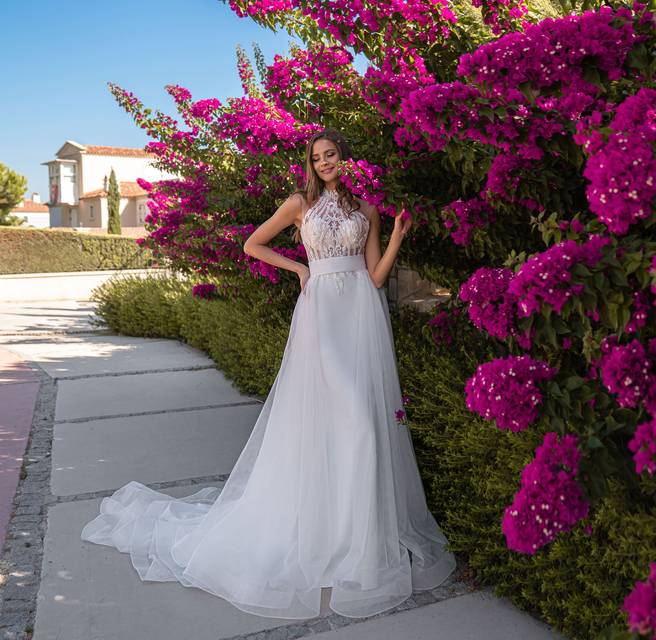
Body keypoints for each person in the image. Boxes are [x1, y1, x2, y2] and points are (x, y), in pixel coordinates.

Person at [80, 129, 458, 620]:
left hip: (361, 315)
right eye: (317, 157)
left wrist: (399, 237)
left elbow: (377, 276)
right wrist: (299, 270)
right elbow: (252, 244)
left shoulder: (367, 212)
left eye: (332, 154)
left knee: (362, 427)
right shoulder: (300, 203)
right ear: (311, 163)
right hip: (320, 314)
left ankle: (354, 540)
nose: (325, 162)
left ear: (345, 157)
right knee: (342, 425)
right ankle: (328, 538)